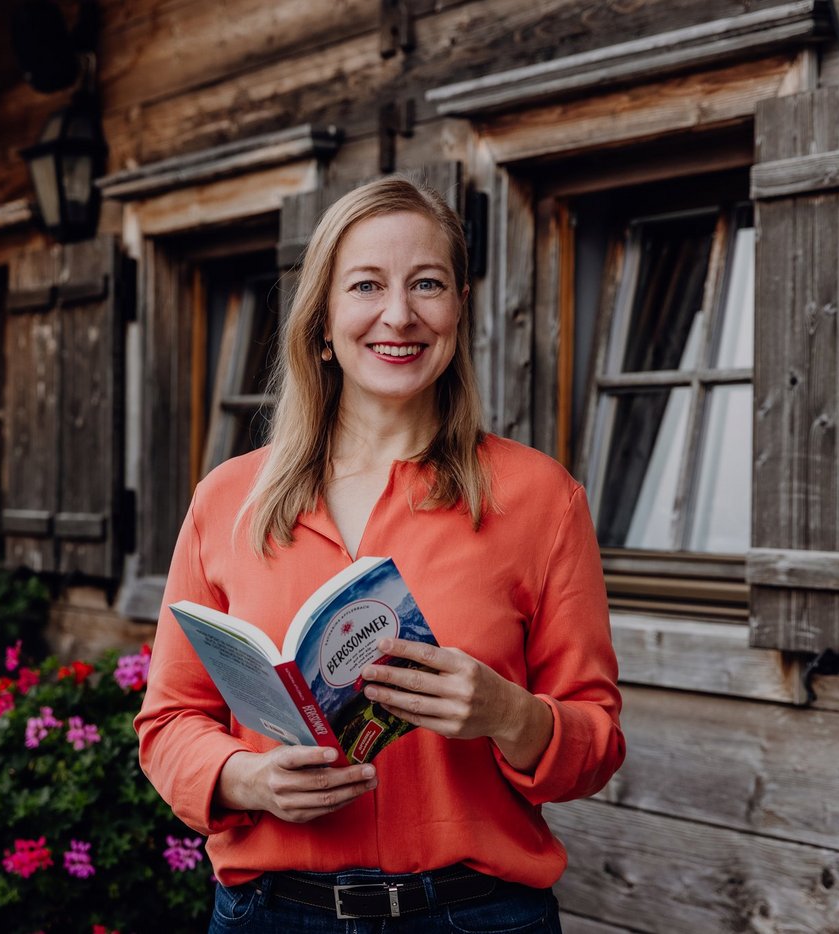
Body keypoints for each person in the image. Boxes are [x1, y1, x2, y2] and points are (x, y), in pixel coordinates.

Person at [136, 175, 624, 932]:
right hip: (271, 915)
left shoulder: (540, 499)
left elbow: (596, 740)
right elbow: (169, 723)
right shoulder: (227, 500)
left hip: (474, 916)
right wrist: (247, 778)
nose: (399, 314)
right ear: (324, 325)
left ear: (459, 308)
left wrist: (509, 714)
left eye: (427, 283)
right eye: (366, 285)